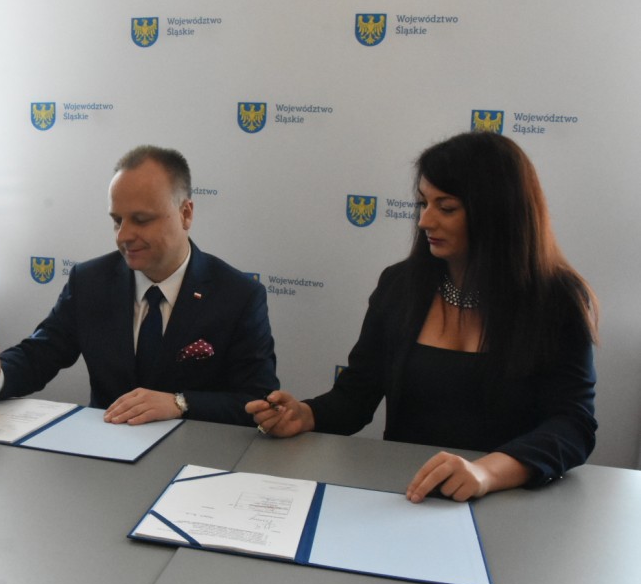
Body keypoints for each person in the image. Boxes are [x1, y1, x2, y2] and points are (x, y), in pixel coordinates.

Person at [248, 131, 597, 502]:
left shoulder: (557, 300)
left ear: (497, 212)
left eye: (446, 208)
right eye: (423, 204)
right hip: (409, 495)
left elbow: (572, 424)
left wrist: (485, 472)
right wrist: (306, 415)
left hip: (509, 500)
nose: (424, 221)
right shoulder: (399, 285)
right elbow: (356, 397)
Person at [0, 144, 278, 427]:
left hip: (195, 462)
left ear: (185, 213)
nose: (123, 236)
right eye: (116, 221)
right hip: (106, 459)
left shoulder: (238, 296)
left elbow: (257, 400)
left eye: (141, 220)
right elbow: (40, 353)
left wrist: (180, 403)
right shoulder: (89, 282)